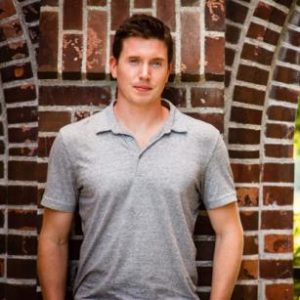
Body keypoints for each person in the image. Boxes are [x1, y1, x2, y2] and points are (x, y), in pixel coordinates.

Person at [38, 14, 244, 300]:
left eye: (156, 63)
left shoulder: (204, 140)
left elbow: (230, 232)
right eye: (134, 61)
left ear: (169, 70)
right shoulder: (73, 141)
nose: (144, 73)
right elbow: (54, 237)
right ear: (114, 66)